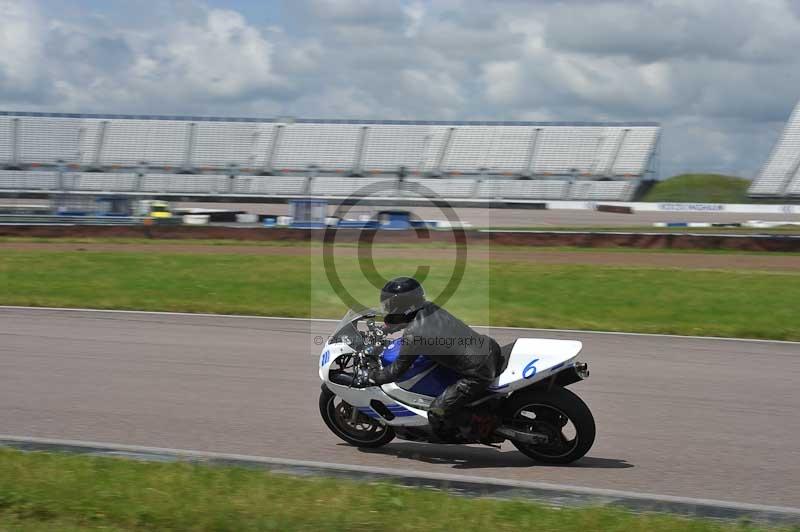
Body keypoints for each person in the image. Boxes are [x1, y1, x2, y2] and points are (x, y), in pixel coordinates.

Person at [361, 276, 504, 441]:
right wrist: (384, 330)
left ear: (400, 305)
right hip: (489, 347)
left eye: (389, 305)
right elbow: (406, 319)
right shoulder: (429, 308)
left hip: (479, 372)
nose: (387, 309)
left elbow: (396, 371)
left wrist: (371, 376)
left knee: (436, 412)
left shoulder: (414, 336)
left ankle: (483, 425)